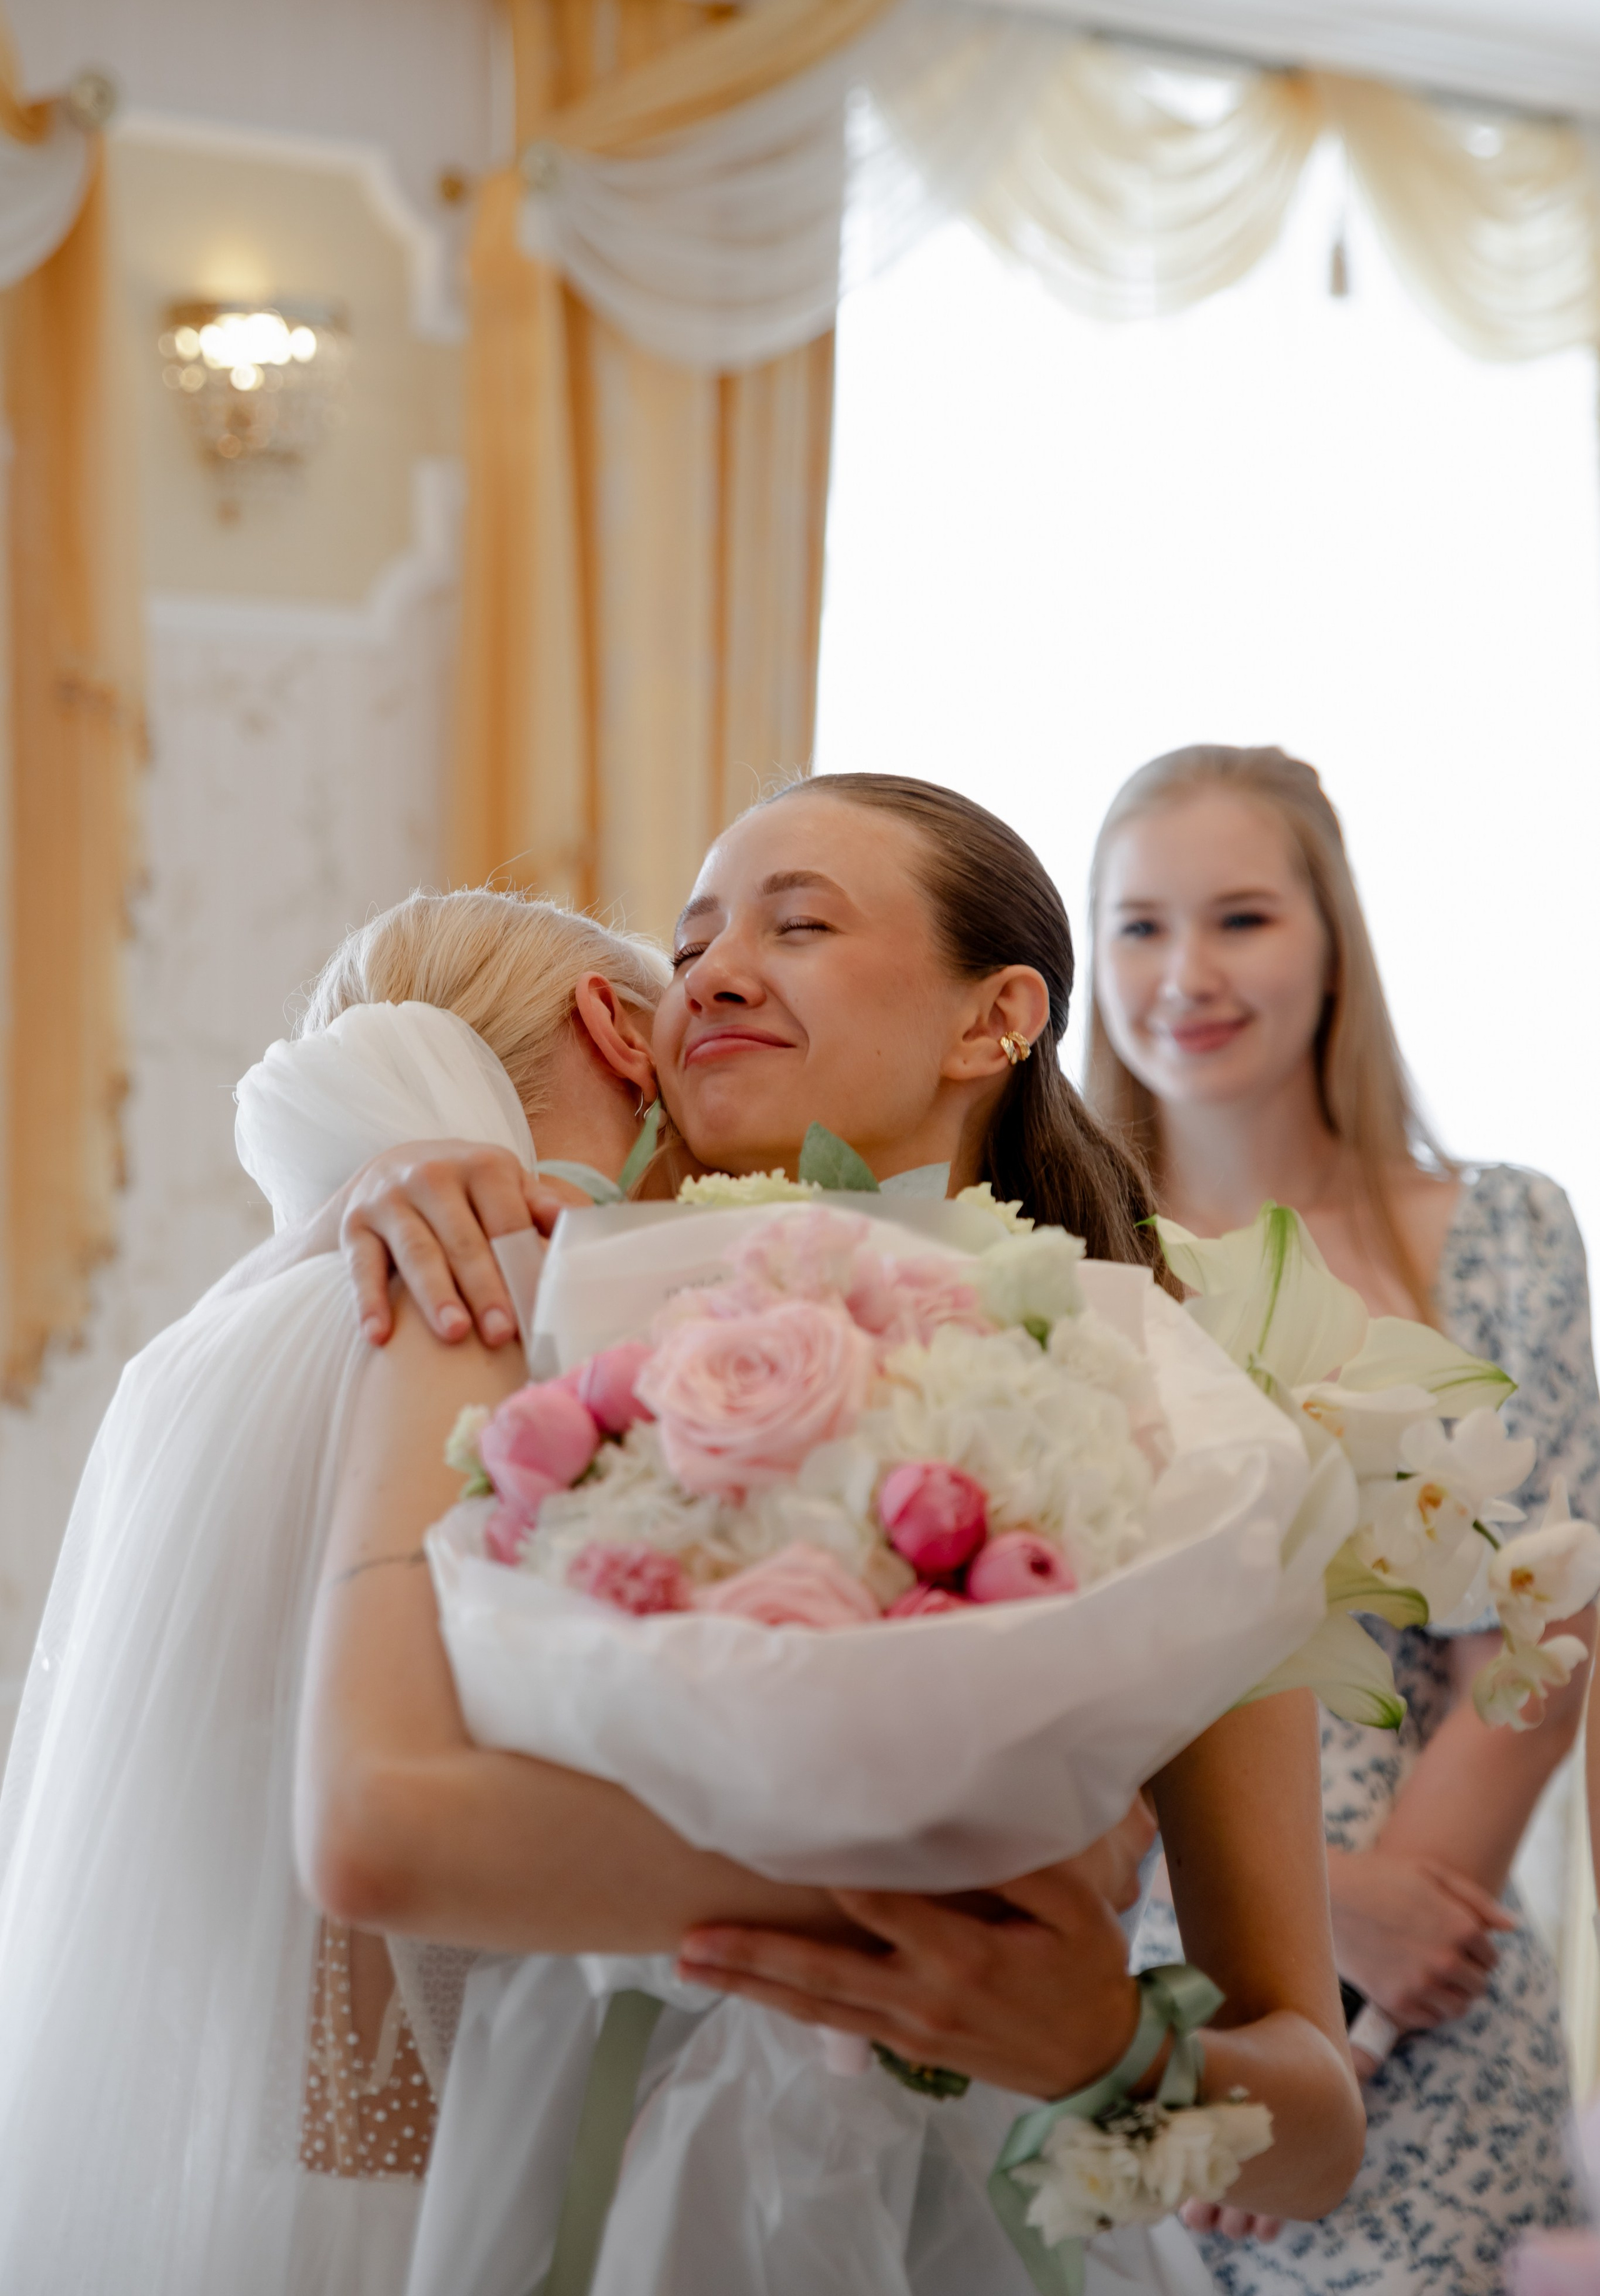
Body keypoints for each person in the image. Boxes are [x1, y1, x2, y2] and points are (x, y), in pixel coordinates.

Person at [301, 773, 1364, 2294]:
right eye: (689, 947)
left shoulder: (1182, 1421)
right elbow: (368, 1940)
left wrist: (1109, 2047)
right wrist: (395, 1160)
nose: (715, 973)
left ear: (994, 1020)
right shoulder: (528, 1332)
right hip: (591, 2204)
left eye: (796, 926)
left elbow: (1314, 2133)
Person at [0, 889, 678, 2295]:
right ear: (618, 1032)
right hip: (511, 2200)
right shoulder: (506, 1327)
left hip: (300, 2190)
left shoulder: (239, 1341)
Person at [1085, 742, 1600, 2295]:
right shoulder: (1058, 1258)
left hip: (1424, 2004)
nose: (1185, 974)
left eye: (1239, 918)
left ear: (1330, 942)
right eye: (1137, 926)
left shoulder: (1500, 1230)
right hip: (1114, 1997)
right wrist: (1291, 1926)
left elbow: (1539, 1644)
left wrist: (1341, 2030)